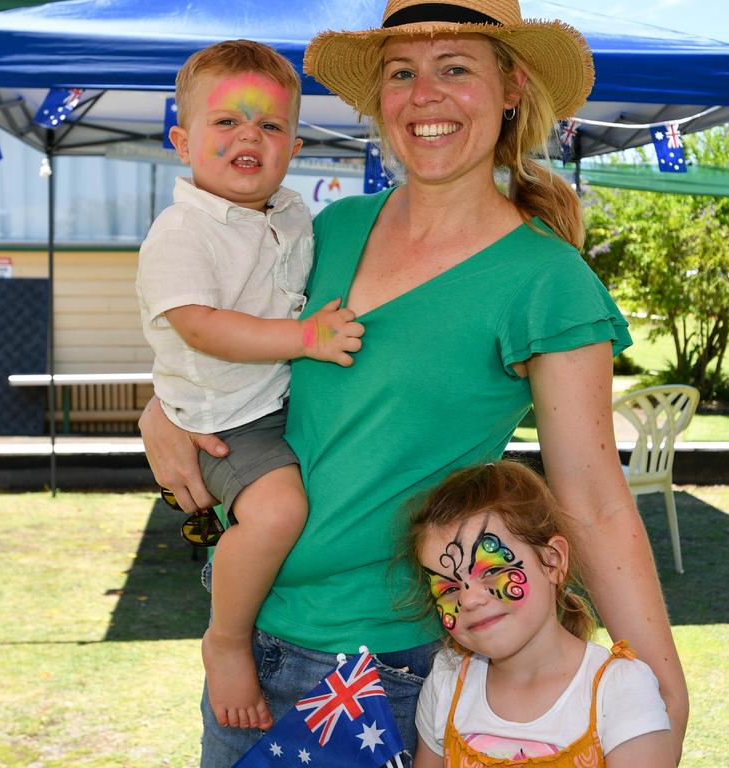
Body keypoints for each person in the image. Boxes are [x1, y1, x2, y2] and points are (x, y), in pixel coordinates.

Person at [139, 2, 688, 765]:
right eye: (403, 72)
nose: (424, 94)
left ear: (511, 89)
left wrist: (659, 682)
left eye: (455, 67)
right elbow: (214, 341)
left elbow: (592, 499)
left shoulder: (545, 281)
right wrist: (159, 409)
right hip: (248, 653)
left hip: (387, 675)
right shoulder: (321, 230)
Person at [136, 40, 364, 732]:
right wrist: (306, 340)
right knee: (275, 514)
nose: (248, 137)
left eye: (268, 126)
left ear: (294, 145)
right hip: (226, 418)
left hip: (272, 402)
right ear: (182, 140)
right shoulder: (181, 232)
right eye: (227, 121)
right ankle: (227, 638)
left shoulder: (294, 214)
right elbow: (201, 327)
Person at [408, 461, 673, 767]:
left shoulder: (619, 690)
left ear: (553, 561)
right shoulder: (446, 683)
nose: (469, 599)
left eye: (492, 570)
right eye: (449, 588)